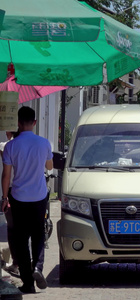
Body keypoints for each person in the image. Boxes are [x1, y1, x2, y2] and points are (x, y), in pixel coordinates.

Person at [1, 107, 53, 293]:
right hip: (39, 196)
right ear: (35, 122)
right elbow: (49, 166)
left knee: (21, 240)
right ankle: (38, 267)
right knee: (39, 234)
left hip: (19, 197)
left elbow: (6, 176)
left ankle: (28, 283)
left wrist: (4, 197)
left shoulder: (11, 146)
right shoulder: (44, 143)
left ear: (18, 123)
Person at [0, 131, 19, 276]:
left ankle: (16, 262)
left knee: (13, 229)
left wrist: (5, 198)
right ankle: (29, 262)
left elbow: (6, 174)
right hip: (30, 192)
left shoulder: (6, 146)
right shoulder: (34, 145)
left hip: (12, 191)